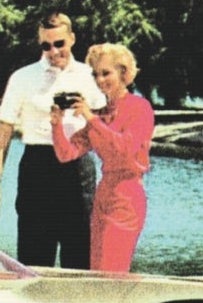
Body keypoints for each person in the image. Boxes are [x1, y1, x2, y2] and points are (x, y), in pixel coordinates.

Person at [0, 11, 104, 267]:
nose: (53, 51)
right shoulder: (22, 77)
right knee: (34, 258)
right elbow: (3, 134)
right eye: (46, 45)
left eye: (59, 43)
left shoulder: (90, 76)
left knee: (81, 257)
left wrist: (85, 110)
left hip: (78, 166)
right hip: (37, 168)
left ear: (71, 39)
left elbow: (108, 126)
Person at [52, 41, 154, 273]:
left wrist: (90, 117)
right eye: (95, 74)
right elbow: (66, 154)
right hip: (103, 194)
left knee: (111, 271)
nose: (100, 80)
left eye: (106, 73)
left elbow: (124, 148)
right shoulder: (101, 114)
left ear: (124, 73)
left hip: (127, 196)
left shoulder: (140, 108)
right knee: (97, 271)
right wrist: (57, 125)